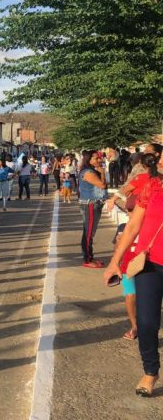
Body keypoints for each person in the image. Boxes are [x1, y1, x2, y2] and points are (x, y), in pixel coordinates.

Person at [103, 153, 163, 397]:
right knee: (147, 322)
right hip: (150, 264)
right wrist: (114, 261)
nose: (161, 162)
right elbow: (133, 227)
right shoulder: (152, 187)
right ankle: (151, 371)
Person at [79, 150, 108, 268]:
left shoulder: (92, 170)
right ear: (89, 159)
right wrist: (102, 172)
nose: (99, 160)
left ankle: (90, 257)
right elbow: (102, 185)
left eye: (99, 158)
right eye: (96, 158)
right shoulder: (88, 172)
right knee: (88, 233)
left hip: (93, 204)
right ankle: (87, 260)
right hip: (90, 205)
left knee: (89, 232)